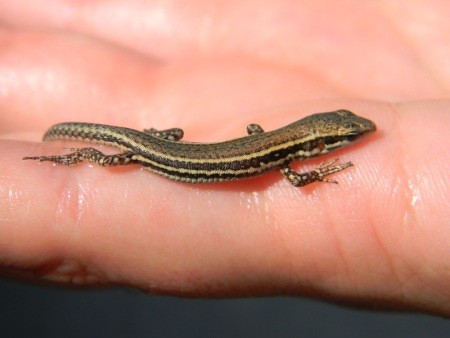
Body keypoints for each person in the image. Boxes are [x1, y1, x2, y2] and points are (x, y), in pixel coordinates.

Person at [0, 1, 448, 317]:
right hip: (151, 154)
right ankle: (82, 152)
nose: (357, 136)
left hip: (168, 147)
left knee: (166, 136)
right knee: (112, 159)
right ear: (317, 144)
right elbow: (295, 181)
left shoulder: (282, 143)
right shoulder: (290, 161)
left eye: (347, 133)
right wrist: (324, 173)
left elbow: (258, 134)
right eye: (346, 136)